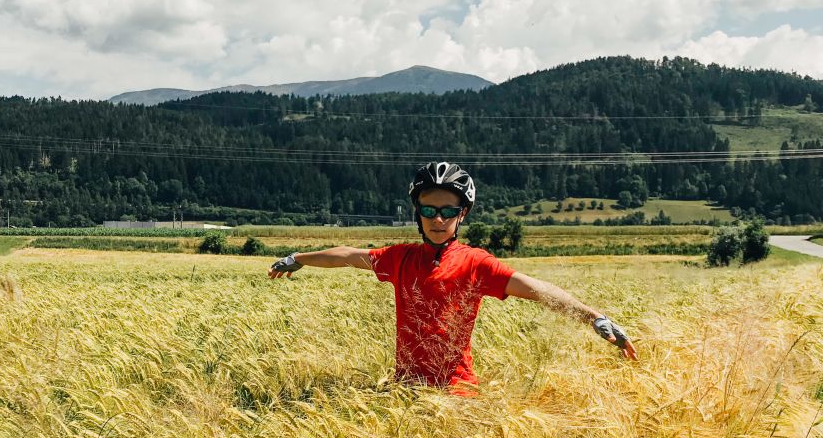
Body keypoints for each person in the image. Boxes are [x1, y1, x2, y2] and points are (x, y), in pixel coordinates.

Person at [268, 161, 637, 392]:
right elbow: (348, 256)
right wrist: (297, 258)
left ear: (462, 214)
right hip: (405, 391)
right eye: (429, 209)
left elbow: (537, 290)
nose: (438, 219)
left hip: (457, 392)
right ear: (417, 212)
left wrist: (594, 317)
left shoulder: (476, 263)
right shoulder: (400, 258)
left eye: (448, 210)